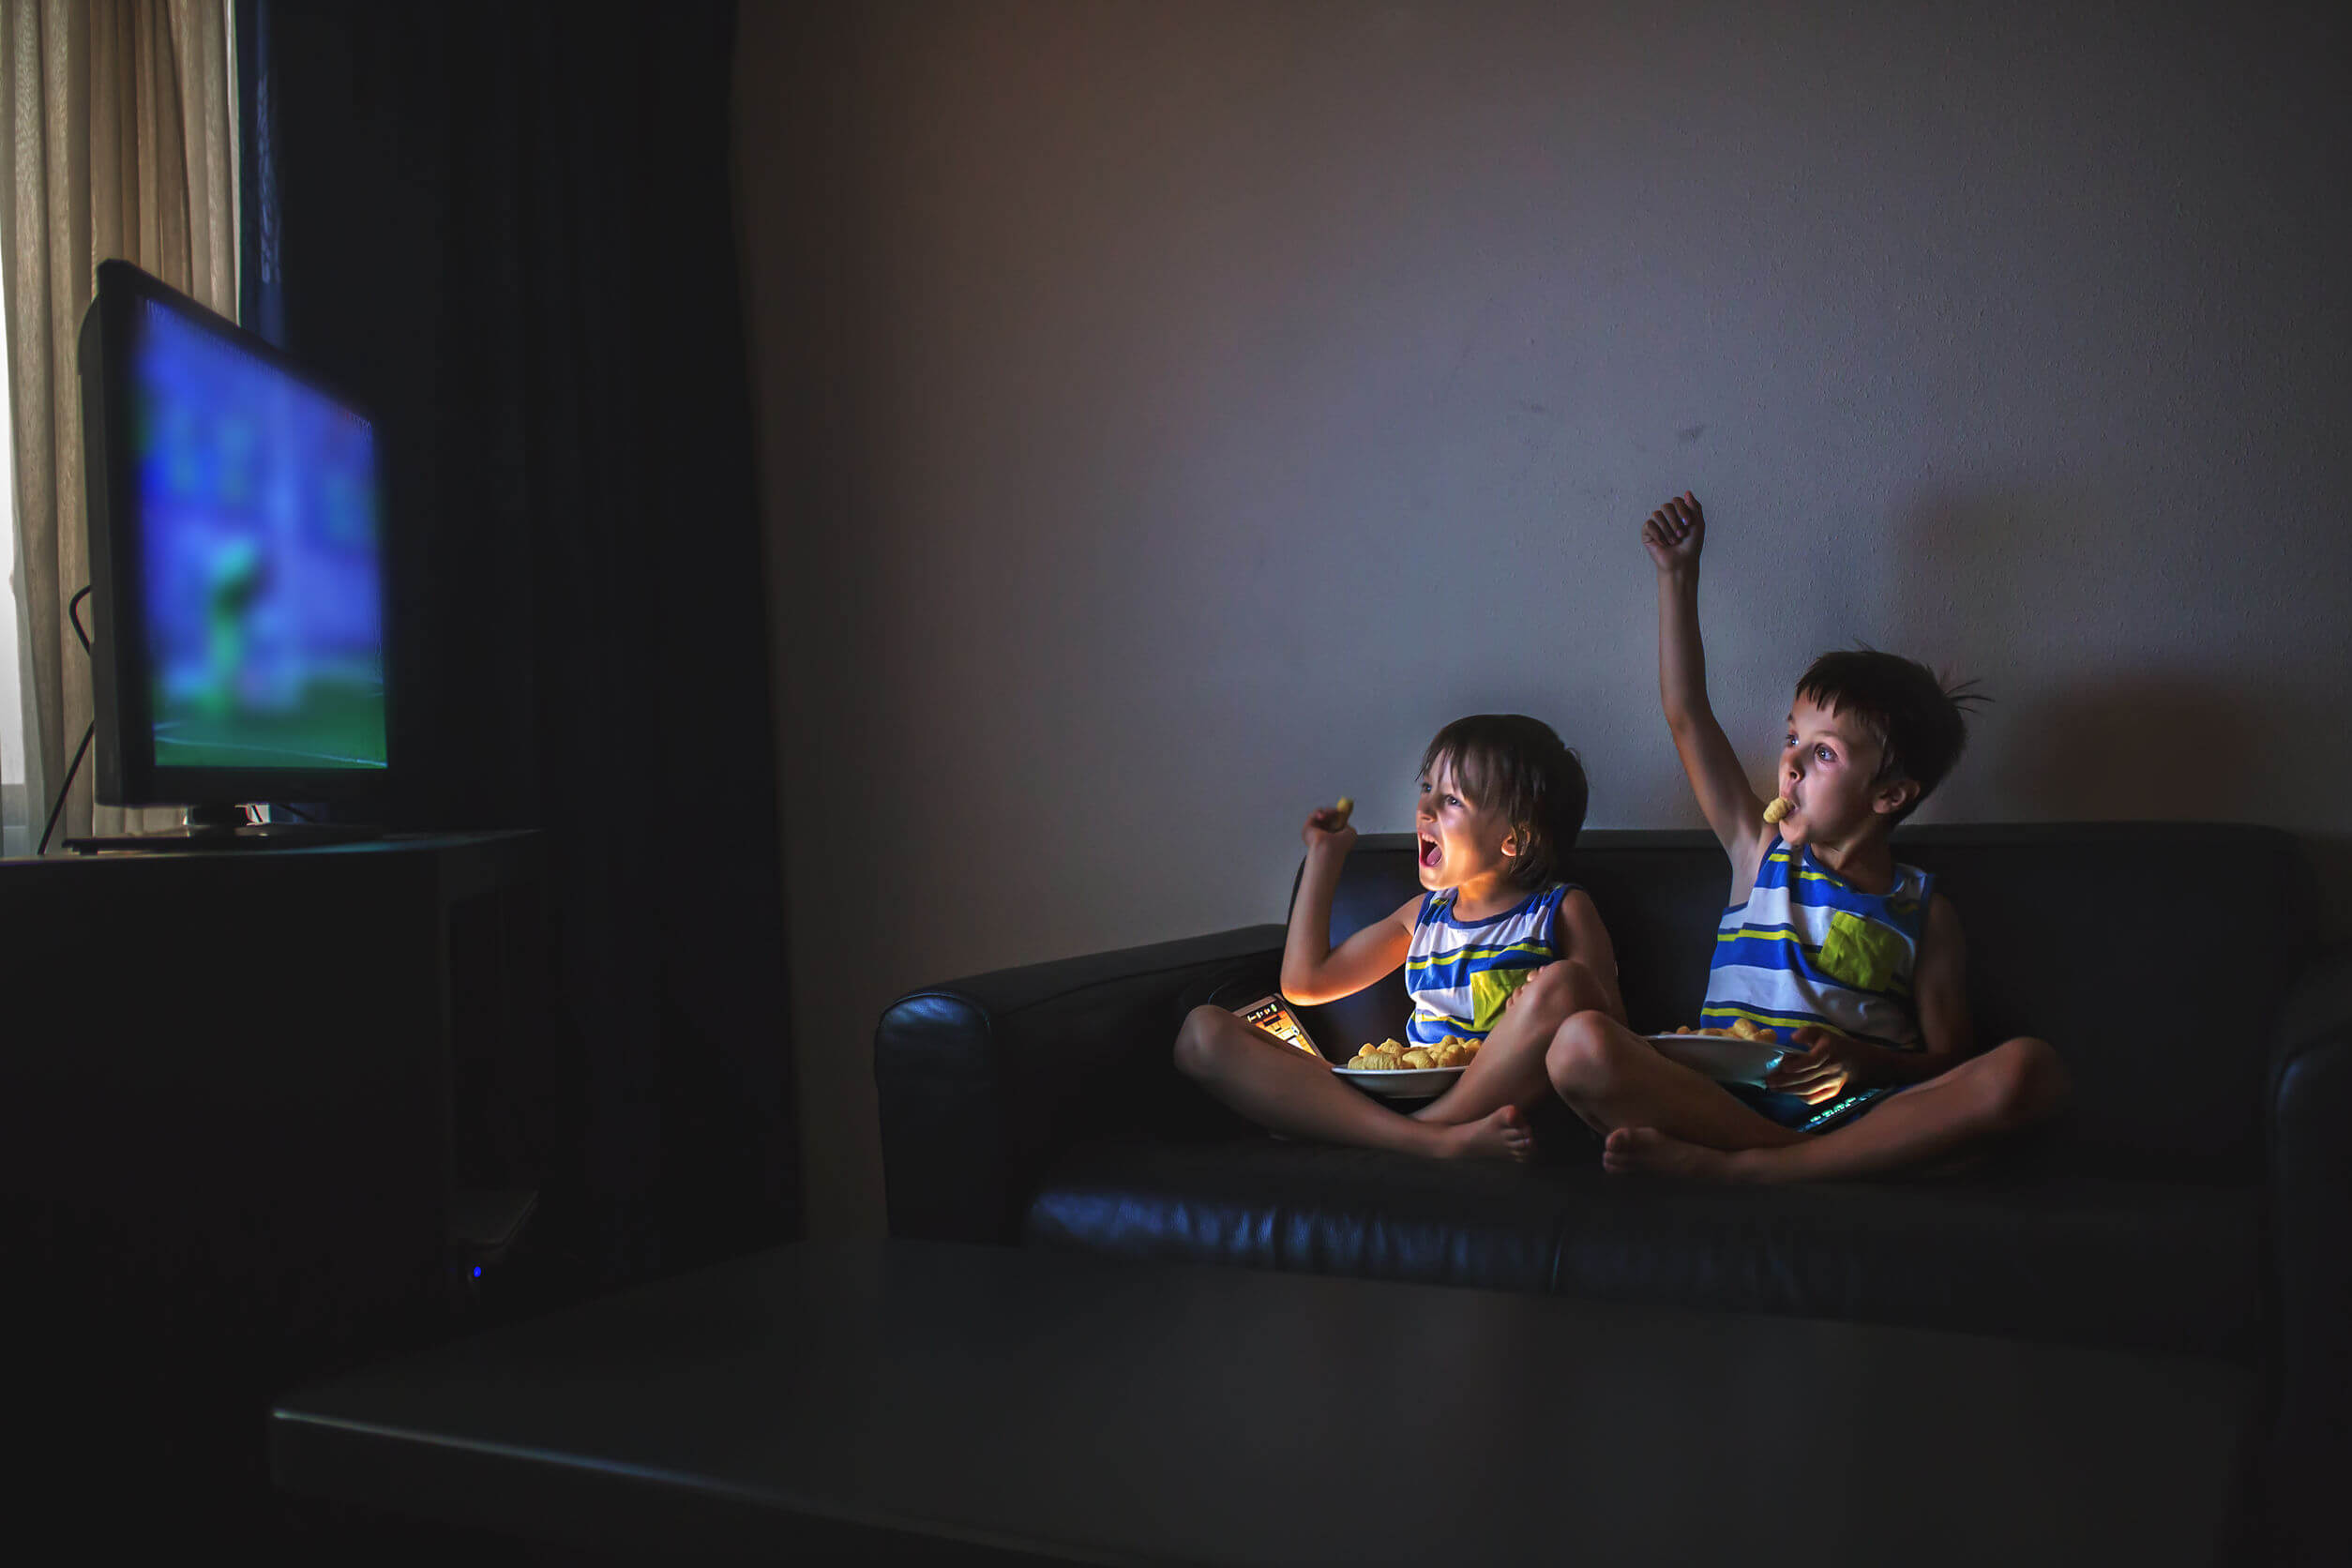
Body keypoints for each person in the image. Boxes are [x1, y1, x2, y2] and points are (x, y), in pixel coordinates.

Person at [1545, 491, 2068, 1181]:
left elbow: (1950, 1058)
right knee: (1577, 1048)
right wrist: (1678, 578)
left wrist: (1869, 1060)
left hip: (1849, 1109)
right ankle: (1799, 1166)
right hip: (1714, 1095)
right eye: (1794, 737)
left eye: (1823, 753)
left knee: (2031, 1069)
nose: (1788, 760)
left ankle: (1748, 1170)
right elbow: (1686, 714)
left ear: (1889, 795)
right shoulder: (1758, 851)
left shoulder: (1923, 912)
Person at [1173, 714, 1625, 1161]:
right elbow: (1304, 984)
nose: (1424, 810)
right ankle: (1421, 1138)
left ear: (1514, 838)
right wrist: (1325, 856)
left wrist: (1536, 1004)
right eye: (1426, 788)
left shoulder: (1559, 911)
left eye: (1451, 800)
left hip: (1501, 1103)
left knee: (1568, 987)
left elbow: (1610, 1038)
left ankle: (1402, 1136)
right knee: (1202, 1033)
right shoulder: (1424, 917)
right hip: (1404, 1094)